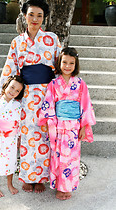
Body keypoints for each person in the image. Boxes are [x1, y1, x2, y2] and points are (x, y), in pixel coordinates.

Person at [0, 0, 62, 193]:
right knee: (26, 135)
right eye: (31, 14)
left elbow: (60, 67)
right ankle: (27, 176)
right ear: (24, 16)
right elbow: (10, 68)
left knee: (44, 134)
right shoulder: (17, 42)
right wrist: (4, 94)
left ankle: (41, 177)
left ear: (44, 18)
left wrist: (63, 92)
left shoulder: (52, 39)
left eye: (39, 15)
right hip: (26, 93)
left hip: (47, 93)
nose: (35, 19)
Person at [38, 47, 96, 200]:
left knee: (71, 158)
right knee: (58, 157)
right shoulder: (54, 83)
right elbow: (49, 103)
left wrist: (85, 126)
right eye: (64, 62)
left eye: (71, 63)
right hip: (58, 125)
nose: (67, 66)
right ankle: (59, 187)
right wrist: (51, 123)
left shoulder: (80, 83)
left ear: (76, 65)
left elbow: (86, 104)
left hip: (74, 127)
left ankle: (67, 187)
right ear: (59, 62)